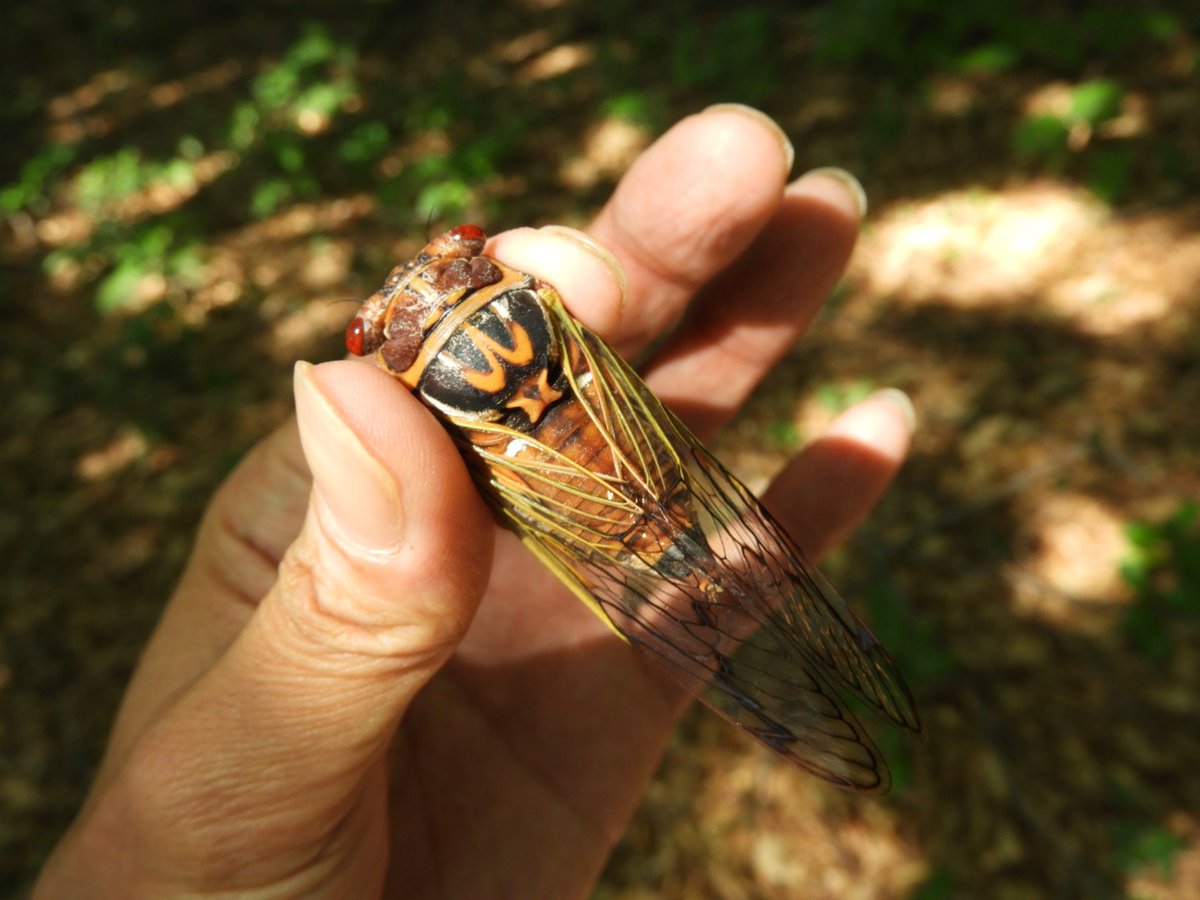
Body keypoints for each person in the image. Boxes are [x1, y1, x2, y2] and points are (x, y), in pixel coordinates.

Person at [35, 105, 915, 898]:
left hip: (591, 506)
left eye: (448, 259)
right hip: (631, 482)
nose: (424, 285)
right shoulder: (532, 299)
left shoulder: (453, 351)